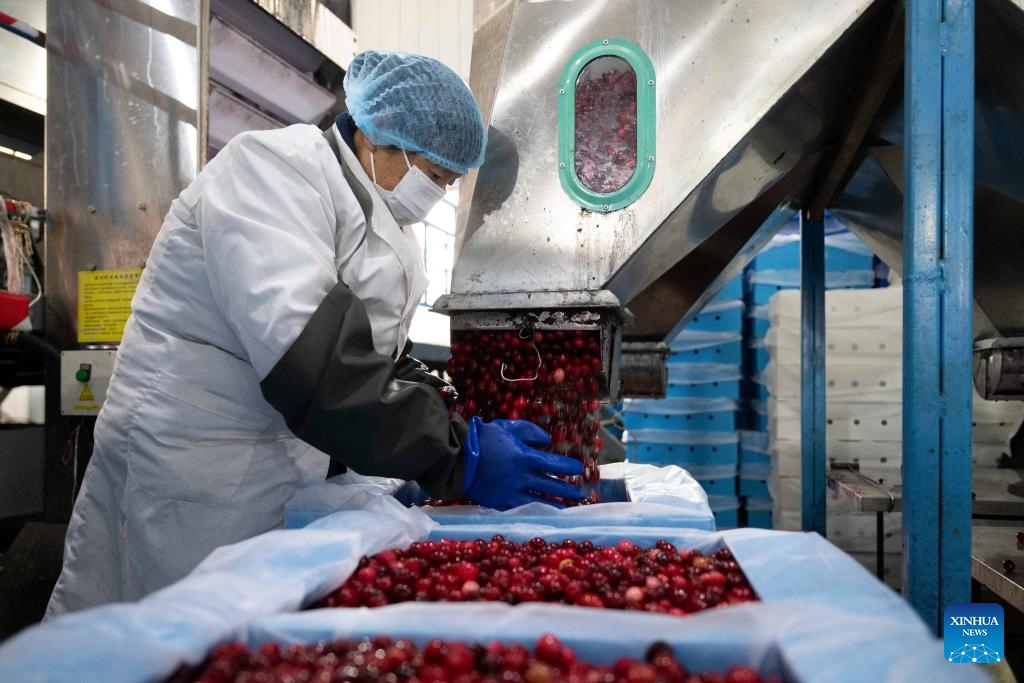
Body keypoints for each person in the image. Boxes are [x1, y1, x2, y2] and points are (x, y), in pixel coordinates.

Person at [46, 51, 583, 616]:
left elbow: (375, 358)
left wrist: (449, 411)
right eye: (435, 177)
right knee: (163, 633)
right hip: (192, 462)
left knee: (249, 639)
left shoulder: (375, 217)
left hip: (275, 461)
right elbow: (316, 364)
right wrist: (455, 456)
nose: (437, 196)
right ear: (382, 138)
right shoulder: (270, 172)